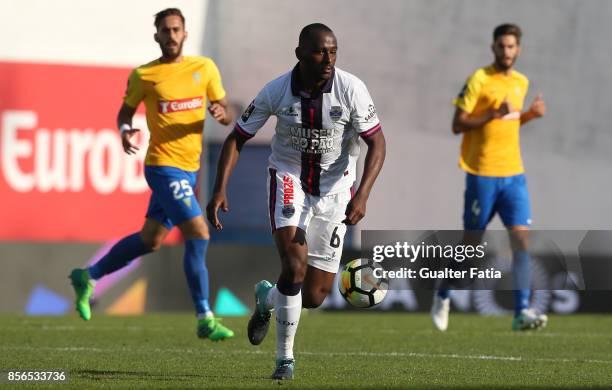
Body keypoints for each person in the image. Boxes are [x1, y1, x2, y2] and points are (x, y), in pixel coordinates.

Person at [206, 23, 385, 379]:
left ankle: (267, 299)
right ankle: (284, 360)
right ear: (300, 53)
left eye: (333, 52)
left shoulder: (351, 89)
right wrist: (219, 188)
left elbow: (377, 143)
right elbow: (236, 137)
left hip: (337, 191)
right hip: (290, 181)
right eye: (320, 51)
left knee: (315, 295)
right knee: (294, 267)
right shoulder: (276, 91)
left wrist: (363, 194)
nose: (328, 59)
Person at [69, 8, 234, 341]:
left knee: (151, 240)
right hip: (162, 165)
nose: (171, 35)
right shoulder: (145, 75)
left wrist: (220, 112)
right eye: (165, 30)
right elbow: (124, 113)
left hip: (190, 170)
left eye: (176, 30)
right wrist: (125, 129)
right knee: (198, 233)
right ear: (156, 35)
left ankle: (88, 276)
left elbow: (225, 112)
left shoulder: (204, 68)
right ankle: (205, 316)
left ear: (184, 34)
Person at [431, 23, 547, 332]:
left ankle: (521, 311)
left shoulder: (521, 82)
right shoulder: (479, 79)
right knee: (471, 249)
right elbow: (458, 124)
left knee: (522, 242)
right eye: (501, 46)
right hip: (482, 176)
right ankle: (443, 292)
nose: (506, 52)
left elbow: (507, 125)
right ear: (493, 47)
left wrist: (528, 117)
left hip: (514, 176)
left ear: (518, 49)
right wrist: (491, 113)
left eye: (511, 47)